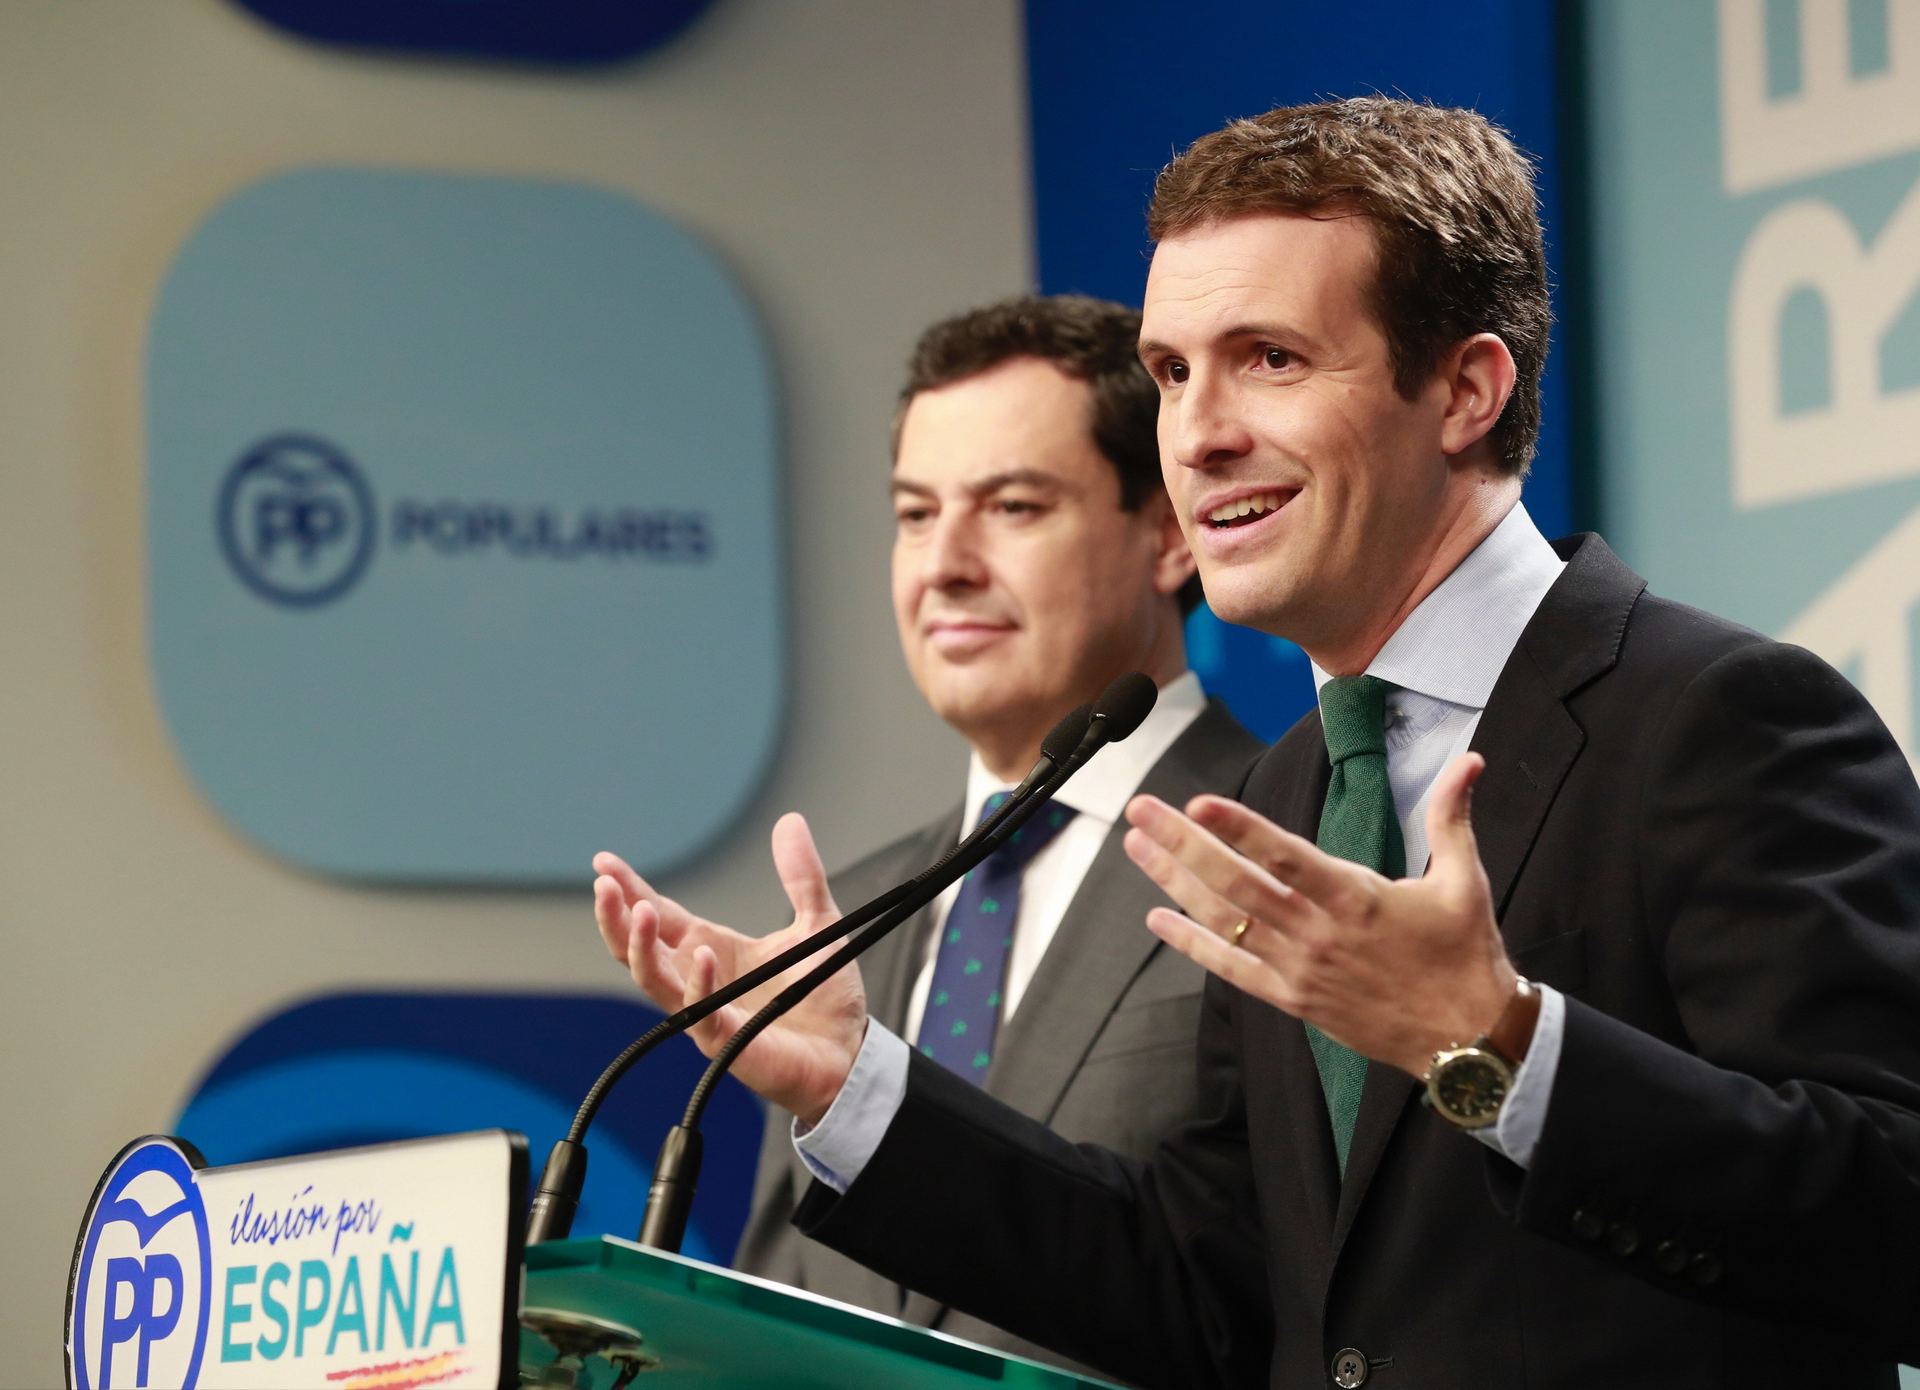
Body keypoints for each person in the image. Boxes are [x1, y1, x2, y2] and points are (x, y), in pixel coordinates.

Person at [609, 99, 1920, 1388]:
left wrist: (1501, 1045)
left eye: (1271, 359)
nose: (1198, 430)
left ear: (1465, 388)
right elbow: (1217, 1293)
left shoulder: (1722, 717)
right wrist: (863, 1093)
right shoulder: (1285, 793)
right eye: (1173, 371)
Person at [592, 294, 1262, 1374]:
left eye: (1012, 507)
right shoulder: (845, 918)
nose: (944, 563)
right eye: (914, 514)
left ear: (1172, 535)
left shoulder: (1286, 844)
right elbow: (791, 1315)